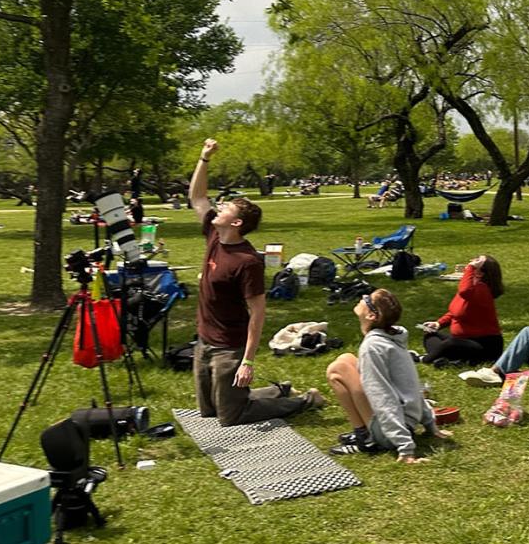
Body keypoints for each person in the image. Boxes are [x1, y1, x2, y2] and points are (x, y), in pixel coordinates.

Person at [189, 138, 323, 426]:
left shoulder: (247, 261)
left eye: (225, 209)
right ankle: (278, 389)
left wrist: (247, 361)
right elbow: (197, 198)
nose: (218, 208)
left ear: (236, 223)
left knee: (231, 417)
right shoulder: (214, 235)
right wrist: (204, 159)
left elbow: (258, 313)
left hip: (229, 346)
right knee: (208, 411)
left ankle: (305, 400)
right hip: (204, 340)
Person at [323, 289, 452, 462]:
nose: (363, 297)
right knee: (346, 359)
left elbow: (381, 395)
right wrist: (430, 425)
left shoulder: (373, 347)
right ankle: (369, 433)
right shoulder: (391, 339)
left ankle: (366, 439)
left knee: (337, 370)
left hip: (391, 431)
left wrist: (405, 447)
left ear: (371, 315)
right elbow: (411, 385)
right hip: (404, 421)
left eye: (367, 299)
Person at [419, 255, 505, 365]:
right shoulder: (471, 288)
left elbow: (465, 291)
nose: (472, 261)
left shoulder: (482, 289)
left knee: (451, 343)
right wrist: (438, 324)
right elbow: (456, 312)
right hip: (463, 340)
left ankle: (424, 359)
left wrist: (470, 267)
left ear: (480, 273)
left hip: (484, 346)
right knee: (431, 335)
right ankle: (442, 359)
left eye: (477, 262)